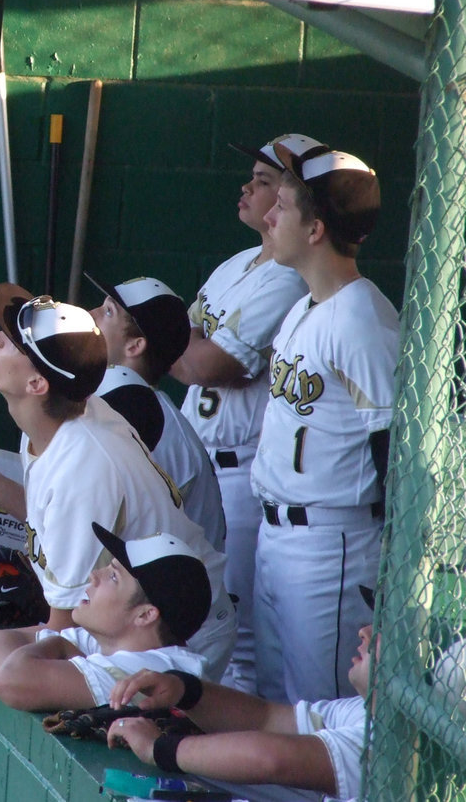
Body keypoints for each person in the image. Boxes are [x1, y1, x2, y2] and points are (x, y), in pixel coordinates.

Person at [0, 284, 235, 678]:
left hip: (175, 629)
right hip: (139, 609)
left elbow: (62, 638)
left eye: (14, 343)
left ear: (38, 385)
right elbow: (57, 520)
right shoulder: (56, 421)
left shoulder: (84, 463)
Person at [250, 143, 398, 705]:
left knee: (319, 714)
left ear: (315, 230)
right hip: (279, 536)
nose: (268, 216)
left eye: (282, 206)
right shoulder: (305, 306)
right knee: (277, 704)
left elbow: (392, 449)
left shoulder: (361, 316)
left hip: (329, 544)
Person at [169, 134, 316, 693]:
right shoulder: (237, 264)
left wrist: (183, 346)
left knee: (240, 638)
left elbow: (206, 362)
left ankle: (242, 771)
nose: (249, 188)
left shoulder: (287, 278)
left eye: (264, 180)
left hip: (241, 473)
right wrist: (180, 347)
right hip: (199, 460)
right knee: (198, 627)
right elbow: (174, 350)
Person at [0, 523, 213, 714]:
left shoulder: (148, 670)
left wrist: (59, 643)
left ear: (146, 614)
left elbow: (10, 680)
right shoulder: (111, 640)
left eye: (113, 576)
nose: (94, 575)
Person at [105, 591, 379, 802]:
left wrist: (159, 748)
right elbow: (267, 718)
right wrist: (185, 691)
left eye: (384, 630)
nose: (365, 631)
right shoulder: (362, 710)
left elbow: (272, 759)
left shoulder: (393, 736)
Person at [87, 274, 225, 552]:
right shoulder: (129, 400)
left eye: (108, 312)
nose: (91, 315)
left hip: (178, 588)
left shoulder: (143, 418)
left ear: (134, 346)